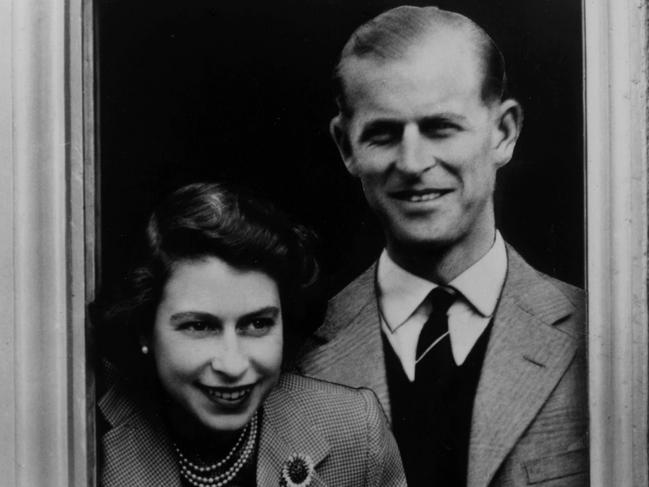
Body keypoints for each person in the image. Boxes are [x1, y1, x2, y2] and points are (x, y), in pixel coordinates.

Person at [294, 6, 587, 487]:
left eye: (440, 128)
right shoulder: (293, 352)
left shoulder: (607, 339)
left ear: (504, 132)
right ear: (346, 147)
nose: (412, 162)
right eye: (384, 134)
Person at [94, 182, 407, 487]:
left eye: (257, 324)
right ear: (144, 331)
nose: (233, 366)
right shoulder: (86, 442)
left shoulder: (354, 430)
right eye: (199, 327)